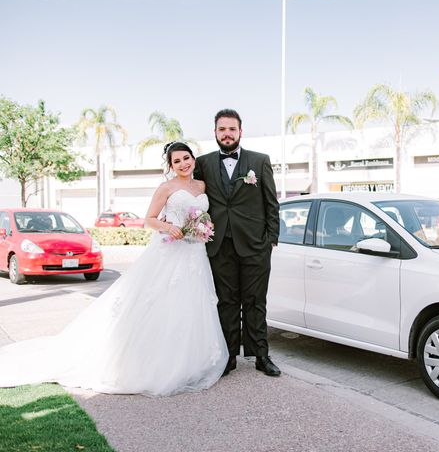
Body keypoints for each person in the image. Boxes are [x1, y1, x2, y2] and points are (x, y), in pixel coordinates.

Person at [0, 142, 228, 396]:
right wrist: (169, 227)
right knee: (164, 303)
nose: (183, 164)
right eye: (177, 161)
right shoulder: (166, 188)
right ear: (171, 166)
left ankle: (190, 363)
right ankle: (156, 364)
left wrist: (201, 227)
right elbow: (148, 220)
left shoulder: (202, 186)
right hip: (171, 251)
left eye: (186, 158)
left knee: (191, 305)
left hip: (195, 253)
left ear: (193, 159)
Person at [194, 109, 281, 377]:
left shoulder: (260, 160)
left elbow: (271, 203)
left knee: (256, 301)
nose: (227, 134)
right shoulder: (203, 163)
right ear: (215, 133)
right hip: (219, 245)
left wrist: (270, 240)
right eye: (222, 129)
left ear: (241, 132)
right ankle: (228, 356)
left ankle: (261, 356)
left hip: (256, 245)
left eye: (232, 129)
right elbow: (195, 199)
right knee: (227, 301)